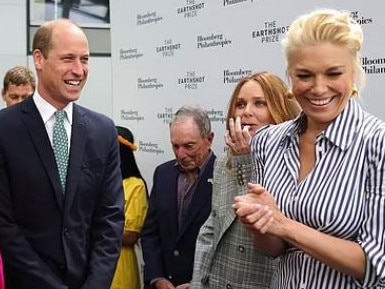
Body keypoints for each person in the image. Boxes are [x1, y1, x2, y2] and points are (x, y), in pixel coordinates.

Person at [233, 8, 385, 289]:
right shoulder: (269, 141)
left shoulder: (377, 143)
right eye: (304, 75)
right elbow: (274, 250)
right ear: (290, 77)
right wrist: (260, 223)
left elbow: (376, 266)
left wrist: (283, 224)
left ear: (353, 74)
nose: (318, 88)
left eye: (333, 73)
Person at [0, 18, 124, 289]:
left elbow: (110, 219)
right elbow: (5, 226)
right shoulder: (5, 130)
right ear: (39, 59)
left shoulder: (103, 132)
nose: (79, 70)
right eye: (68, 58)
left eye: (85, 59)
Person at [191, 71, 301, 289]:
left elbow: (261, 220)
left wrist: (246, 160)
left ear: (279, 108)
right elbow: (212, 227)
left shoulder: (296, 161)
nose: (247, 112)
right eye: (240, 104)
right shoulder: (224, 161)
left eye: (259, 103)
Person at [141, 106, 216, 289]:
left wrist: (196, 284)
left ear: (209, 139)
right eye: (175, 146)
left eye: (189, 146)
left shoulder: (224, 177)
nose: (181, 154)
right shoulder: (163, 173)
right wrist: (157, 277)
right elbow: (150, 232)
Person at [110, 126, 149, 289]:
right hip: (93, 266)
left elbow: (130, 235)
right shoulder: (97, 181)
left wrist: (92, 230)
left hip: (120, 267)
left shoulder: (135, 185)